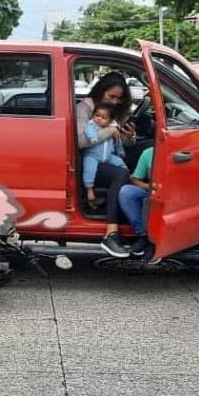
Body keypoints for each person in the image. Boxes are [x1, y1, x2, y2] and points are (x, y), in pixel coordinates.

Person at [76, 71, 134, 257]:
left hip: (107, 156)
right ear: (101, 91)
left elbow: (117, 144)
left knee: (125, 169)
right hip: (87, 159)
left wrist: (129, 137)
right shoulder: (86, 108)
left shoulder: (114, 112)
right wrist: (109, 130)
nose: (115, 102)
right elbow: (81, 141)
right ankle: (111, 232)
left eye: (119, 99)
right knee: (120, 174)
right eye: (111, 96)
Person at [82, 104, 127, 209]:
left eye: (103, 117)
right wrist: (93, 138)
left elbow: (118, 142)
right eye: (97, 115)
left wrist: (120, 151)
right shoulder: (92, 124)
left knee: (120, 163)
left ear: (110, 120)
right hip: (92, 155)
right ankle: (89, 189)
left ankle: (127, 177)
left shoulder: (112, 128)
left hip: (108, 156)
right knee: (89, 170)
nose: (99, 118)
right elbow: (89, 131)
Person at [119, 146, 154, 257]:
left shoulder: (182, 153)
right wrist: (149, 186)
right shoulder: (149, 152)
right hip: (153, 192)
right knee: (127, 192)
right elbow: (135, 179)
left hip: (175, 195)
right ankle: (143, 236)